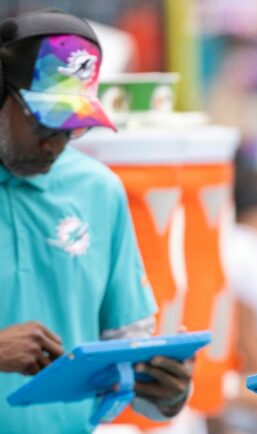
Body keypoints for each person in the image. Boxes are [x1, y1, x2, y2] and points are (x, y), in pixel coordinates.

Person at [0, 9, 193, 433]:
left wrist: (164, 391)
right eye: (46, 121)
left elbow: (125, 354)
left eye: (75, 124)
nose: (58, 142)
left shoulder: (98, 190)